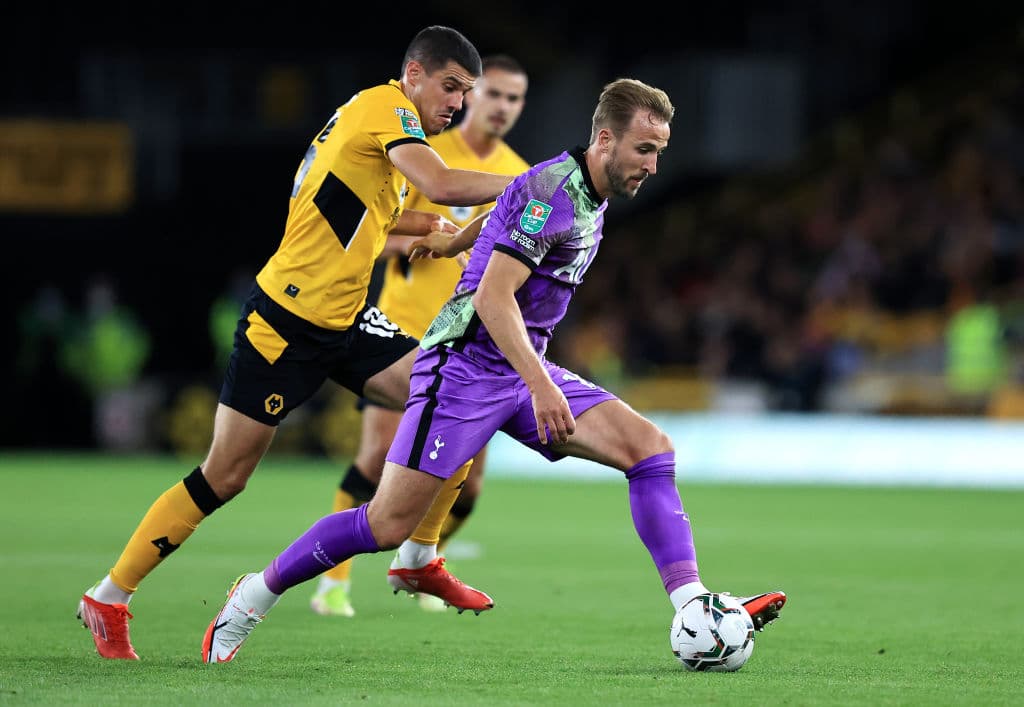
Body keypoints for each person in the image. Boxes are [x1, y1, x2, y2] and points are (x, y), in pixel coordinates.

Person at [200, 77, 788, 664]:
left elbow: (508, 214)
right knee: (384, 524)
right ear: (606, 140)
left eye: (659, 151)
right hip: (461, 370)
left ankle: (693, 605)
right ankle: (252, 595)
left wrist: (455, 241)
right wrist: (541, 385)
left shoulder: (581, 191)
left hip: (515, 369)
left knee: (650, 450)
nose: (654, 165)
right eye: (645, 149)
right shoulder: (552, 192)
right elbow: (492, 296)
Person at [77, 24, 520, 661]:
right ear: (414, 74)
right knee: (224, 477)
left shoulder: (380, 129)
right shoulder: (386, 108)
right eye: (451, 87)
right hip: (285, 322)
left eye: (466, 92)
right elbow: (444, 182)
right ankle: (109, 596)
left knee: (458, 391)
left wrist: (440, 231)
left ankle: (418, 556)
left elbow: (373, 211)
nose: (458, 103)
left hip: (346, 320)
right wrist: (530, 183)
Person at [309, 54, 531, 618]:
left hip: (469, 338)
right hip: (403, 327)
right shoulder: (424, 149)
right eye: (494, 94)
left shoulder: (520, 171)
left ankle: (418, 562)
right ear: (471, 96)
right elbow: (375, 225)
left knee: (469, 486)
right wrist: (432, 241)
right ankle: (332, 582)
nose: (503, 107)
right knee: (377, 459)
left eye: (514, 98)